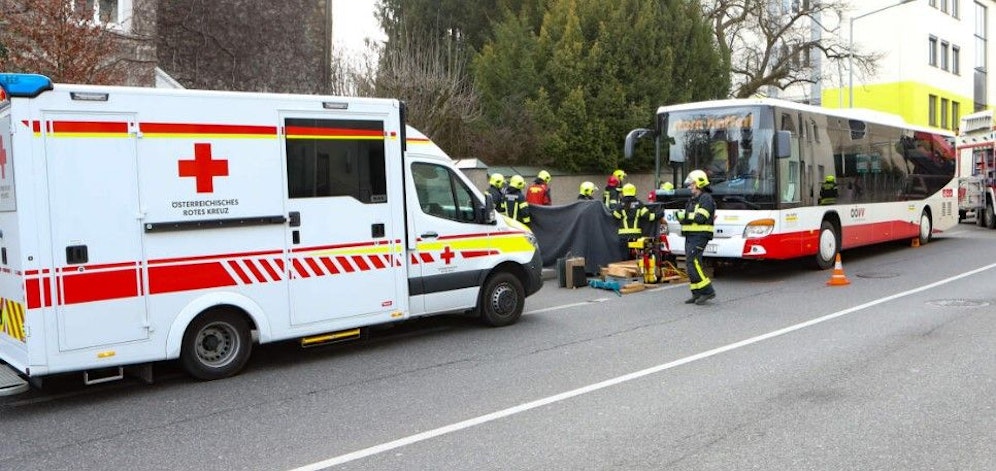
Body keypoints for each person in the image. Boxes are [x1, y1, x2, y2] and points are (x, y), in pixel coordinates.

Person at [675, 169, 717, 305]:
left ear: (699, 183)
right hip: (690, 235)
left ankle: (708, 291)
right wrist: (681, 218)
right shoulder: (692, 200)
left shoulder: (706, 198)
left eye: (692, 184)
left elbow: (701, 218)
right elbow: (689, 219)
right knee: (689, 263)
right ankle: (696, 293)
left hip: (700, 236)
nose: (690, 186)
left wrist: (685, 216)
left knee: (694, 263)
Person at [612, 183, 656, 257]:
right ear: (634, 192)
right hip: (636, 236)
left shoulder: (620, 205)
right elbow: (648, 216)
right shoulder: (639, 204)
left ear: (624, 192)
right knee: (636, 257)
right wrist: (659, 214)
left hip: (623, 236)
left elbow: (616, 217)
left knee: (624, 258)